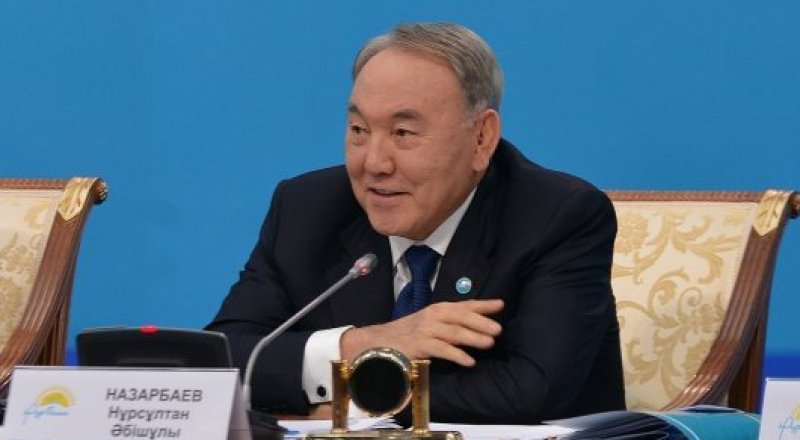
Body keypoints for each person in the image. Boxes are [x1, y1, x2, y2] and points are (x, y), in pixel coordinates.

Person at [207, 22, 625, 424]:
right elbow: (223, 363)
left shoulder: (556, 217)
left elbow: (531, 389)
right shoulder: (306, 209)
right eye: (359, 129)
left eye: (403, 133)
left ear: (481, 138)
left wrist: (353, 404)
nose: (374, 163)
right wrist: (362, 344)